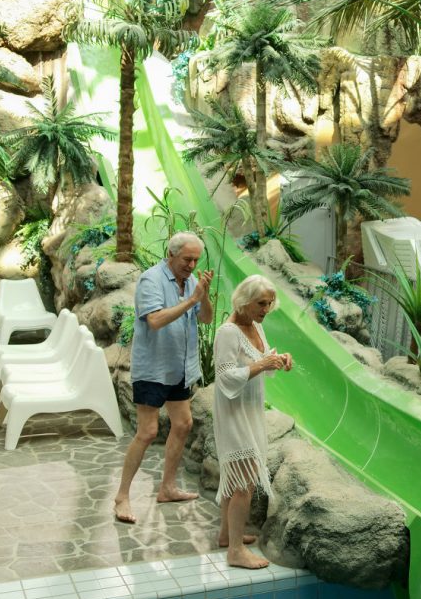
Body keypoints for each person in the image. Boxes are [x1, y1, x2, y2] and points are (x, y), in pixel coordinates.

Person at [113, 233, 214, 525]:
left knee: (183, 424)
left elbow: (205, 318)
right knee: (147, 431)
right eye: (187, 259)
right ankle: (122, 495)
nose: (192, 265)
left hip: (179, 368)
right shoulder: (151, 280)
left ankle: (168, 488)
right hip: (153, 369)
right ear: (171, 254)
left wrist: (202, 296)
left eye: (196, 260)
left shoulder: (192, 282)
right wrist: (191, 300)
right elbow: (155, 320)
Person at [212, 275, 292, 570]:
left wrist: (278, 358)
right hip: (233, 413)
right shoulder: (228, 332)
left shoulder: (256, 326)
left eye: (270, 302)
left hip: (249, 409)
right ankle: (235, 552)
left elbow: (261, 359)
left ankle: (225, 535)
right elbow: (225, 377)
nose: (267, 308)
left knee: (235, 479)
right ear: (243, 300)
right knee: (244, 482)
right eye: (261, 303)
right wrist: (262, 364)